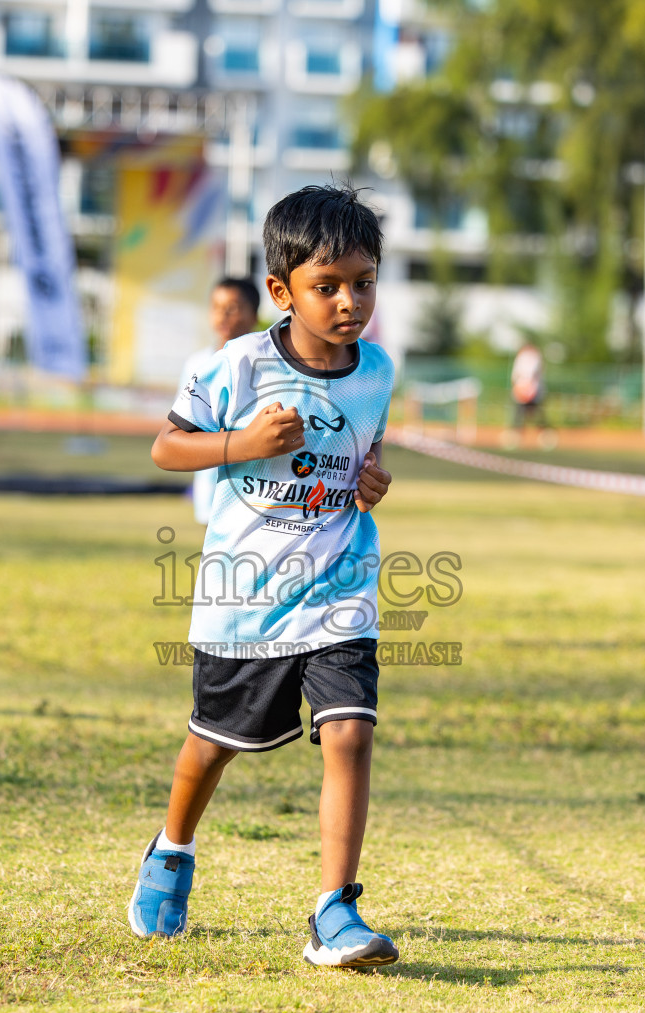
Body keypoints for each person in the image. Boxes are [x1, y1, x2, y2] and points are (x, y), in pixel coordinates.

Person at [135, 185, 397, 968]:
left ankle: (334, 911)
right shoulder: (237, 366)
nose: (350, 302)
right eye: (329, 286)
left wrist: (373, 478)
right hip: (244, 598)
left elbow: (366, 451)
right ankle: (171, 851)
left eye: (364, 282)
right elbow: (166, 449)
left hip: (340, 585)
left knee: (349, 732)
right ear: (282, 292)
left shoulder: (377, 369)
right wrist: (242, 444)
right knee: (214, 745)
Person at [178, 278, 261, 525]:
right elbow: (183, 425)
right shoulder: (198, 364)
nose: (222, 315)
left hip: (255, 483)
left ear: (254, 314)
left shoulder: (266, 365)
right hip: (211, 480)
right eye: (216, 307)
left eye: (233, 308)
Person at [510, 340, 546, 429]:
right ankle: (517, 430)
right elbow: (515, 376)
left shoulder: (535, 358)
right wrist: (519, 389)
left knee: (536, 412)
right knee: (519, 411)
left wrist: (530, 389)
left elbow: (535, 376)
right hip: (521, 390)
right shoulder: (521, 358)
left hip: (533, 390)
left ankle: (544, 430)